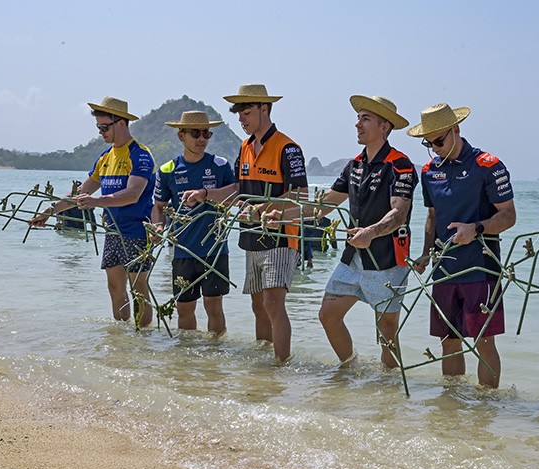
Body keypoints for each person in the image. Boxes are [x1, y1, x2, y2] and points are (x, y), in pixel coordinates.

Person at [276, 95, 417, 367]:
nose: (357, 124)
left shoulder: (400, 165)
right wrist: (281, 215)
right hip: (353, 258)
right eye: (358, 118)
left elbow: (398, 214)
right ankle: (350, 366)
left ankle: (389, 391)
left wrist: (371, 233)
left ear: (385, 126)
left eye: (365, 119)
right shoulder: (354, 165)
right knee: (328, 314)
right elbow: (325, 204)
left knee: (386, 331)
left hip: (387, 259)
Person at [184, 84, 307, 364]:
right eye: (239, 114)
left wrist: (260, 210)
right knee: (257, 305)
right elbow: (238, 189)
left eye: (247, 112)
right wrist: (204, 195)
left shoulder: (288, 149)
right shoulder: (245, 146)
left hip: (280, 236)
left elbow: (300, 196)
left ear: (265, 109)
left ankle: (281, 365)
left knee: (273, 302)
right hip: (250, 236)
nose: (241, 119)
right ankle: (264, 359)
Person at [408, 103, 516, 388]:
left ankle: (487, 410)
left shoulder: (488, 165)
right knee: (448, 342)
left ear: (456, 130)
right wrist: (425, 254)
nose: (435, 149)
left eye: (439, 141)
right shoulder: (429, 170)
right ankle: (452, 412)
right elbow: (432, 218)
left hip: (481, 267)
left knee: (484, 342)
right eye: (428, 143)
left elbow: (509, 216)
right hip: (444, 270)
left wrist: (476, 229)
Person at [30, 96, 155, 328]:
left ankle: (144, 339)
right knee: (114, 287)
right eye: (98, 127)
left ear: (121, 123)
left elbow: (132, 194)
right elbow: (79, 195)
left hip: (136, 231)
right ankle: (121, 336)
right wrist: (49, 211)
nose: (100, 132)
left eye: (104, 127)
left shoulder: (140, 155)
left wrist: (95, 201)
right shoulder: (104, 158)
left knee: (138, 289)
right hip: (112, 232)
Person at [152, 111, 236, 335]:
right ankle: (187, 362)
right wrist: (158, 228)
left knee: (213, 306)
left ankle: (215, 357)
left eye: (206, 134)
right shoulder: (167, 170)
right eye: (195, 133)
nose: (202, 139)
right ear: (181, 136)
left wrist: (205, 194)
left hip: (215, 250)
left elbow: (237, 192)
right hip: (182, 251)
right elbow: (159, 207)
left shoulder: (220, 165)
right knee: (184, 309)